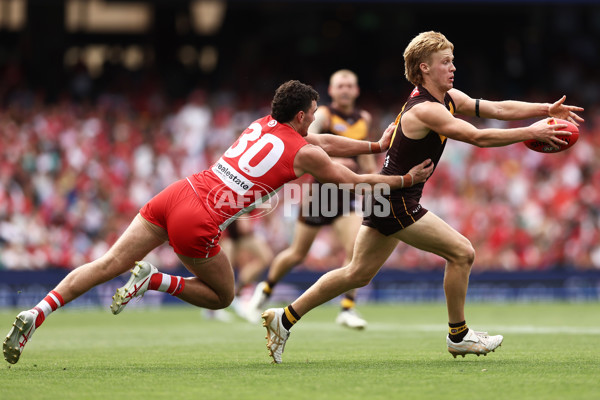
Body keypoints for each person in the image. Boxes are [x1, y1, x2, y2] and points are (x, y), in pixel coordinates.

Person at [3, 80, 434, 364]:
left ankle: (36, 313)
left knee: (107, 263)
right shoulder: (302, 151)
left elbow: (321, 142)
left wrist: (376, 141)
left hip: (177, 193)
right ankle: (156, 281)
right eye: (314, 112)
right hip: (201, 218)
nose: (315, 119)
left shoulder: (262, 124)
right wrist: (403, 177)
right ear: (302, 116)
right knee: (223, 297)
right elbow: (354, 179)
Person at [261, 32, 585, 364]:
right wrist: (531, 131)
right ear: (424, 68)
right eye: (446, 62)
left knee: (356, 273)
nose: (453, 67)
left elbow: (497, 108)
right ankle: (458, 335)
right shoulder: (424, 110)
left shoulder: (446, 98)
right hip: (396, 199)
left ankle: (283, 318)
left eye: (453, 60)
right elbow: (477, 137)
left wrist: (546, 108)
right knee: (462, 253)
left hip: (386, 196)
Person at [247, 70, 377, 329]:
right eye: (340, 85)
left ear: (356, 90)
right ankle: (265, 290)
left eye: (350, 85)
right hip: (320, 193)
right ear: (331, 90)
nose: (345, 90)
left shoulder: (363, 119)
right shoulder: (324, 115)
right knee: (297, 253)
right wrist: (334, 162)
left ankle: (347, 309)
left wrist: (376, 183)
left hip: (345, 196)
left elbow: (366, 162)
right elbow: (307, 141)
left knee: (355, 247)